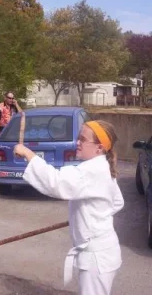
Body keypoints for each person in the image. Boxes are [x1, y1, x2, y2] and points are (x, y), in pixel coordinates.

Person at [14, 120, 124, 295]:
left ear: (99, 147)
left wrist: (28, 154)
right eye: (78, 137)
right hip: (102, 254)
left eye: (82, 139)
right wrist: (89, 216)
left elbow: (56, 182)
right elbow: (117, 202)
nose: (77, 142)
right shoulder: (102, 166)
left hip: (96, 258)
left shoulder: (92, 170)